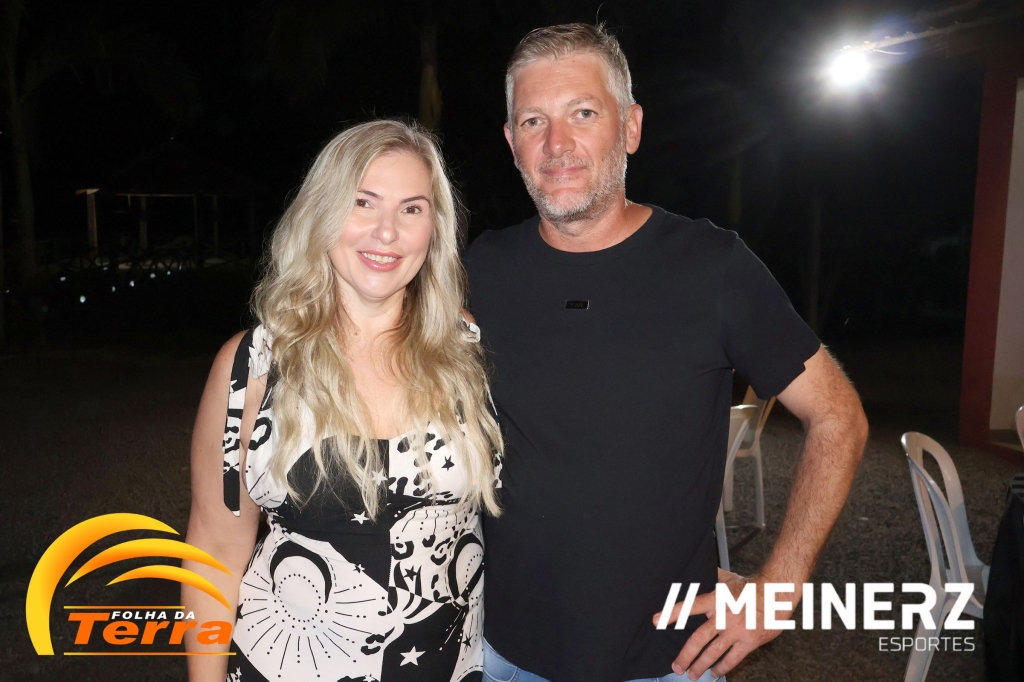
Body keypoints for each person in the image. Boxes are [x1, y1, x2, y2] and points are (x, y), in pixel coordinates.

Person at [464, 23, 869, 682]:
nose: (557, 144)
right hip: (500, 654)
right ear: (512, 143)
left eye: (583, 113)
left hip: (667, 662)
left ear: (630, 127)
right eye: (534, 120)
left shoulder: (712, 267)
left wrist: (781, 582)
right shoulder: (482, 268)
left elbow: (837, 415)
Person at [182, 119, 503, 682]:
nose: (387, 232)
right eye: (363, 202)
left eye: (412, 208)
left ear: (434, 228)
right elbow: (214, 551)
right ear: (322, 214)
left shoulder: (466, 353)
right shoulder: (251, 368)